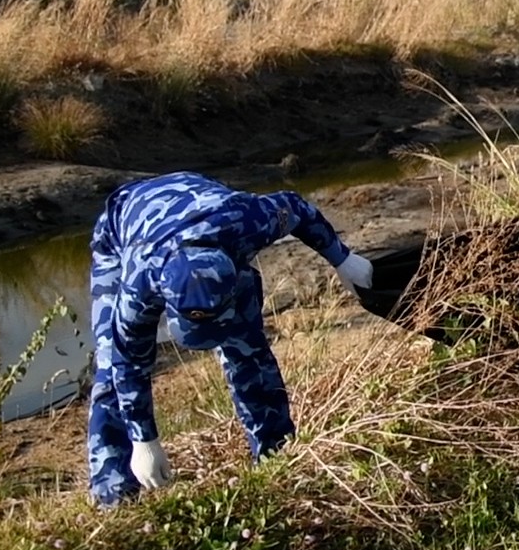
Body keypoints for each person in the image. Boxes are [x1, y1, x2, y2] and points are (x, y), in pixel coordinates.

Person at [87, 172, 373, 506]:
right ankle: (114, 494)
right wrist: (144, 441)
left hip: (210, 212)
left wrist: (343, 259)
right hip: (122, 229)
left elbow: (297, 208)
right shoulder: (139, 281)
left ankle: (277, 457)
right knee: (110, 369)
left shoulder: (248, 222)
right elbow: (128, 362)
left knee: (248, 352)